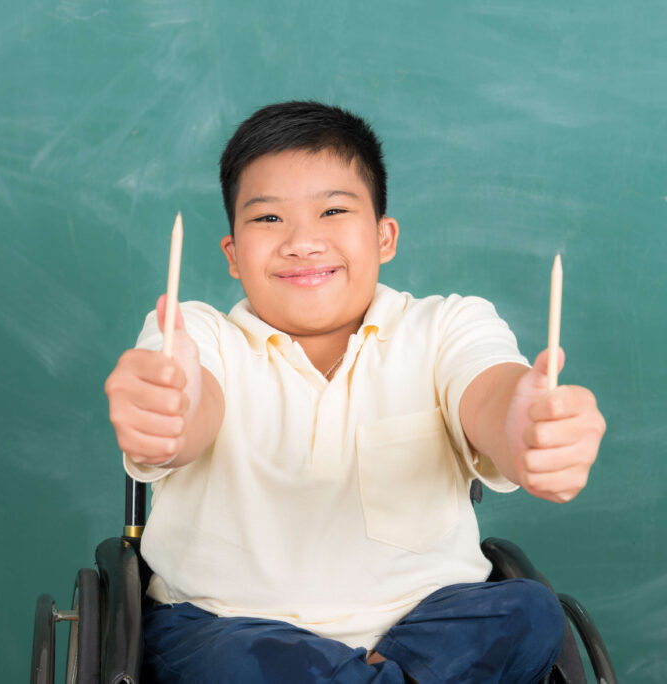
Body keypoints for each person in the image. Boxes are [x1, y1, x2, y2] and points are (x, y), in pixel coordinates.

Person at [103, 101, 605, 683]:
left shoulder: (447, 326)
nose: (302, 242)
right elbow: (187, 403)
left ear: (384, 236)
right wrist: (165, 412)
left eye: (334, 210)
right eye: (268, 220)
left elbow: (493, 394)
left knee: (528, 612)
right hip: (228, 627)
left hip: (427, 628)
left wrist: (527, 427)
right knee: (233, 661)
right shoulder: (192, 334)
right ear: (233, 254)